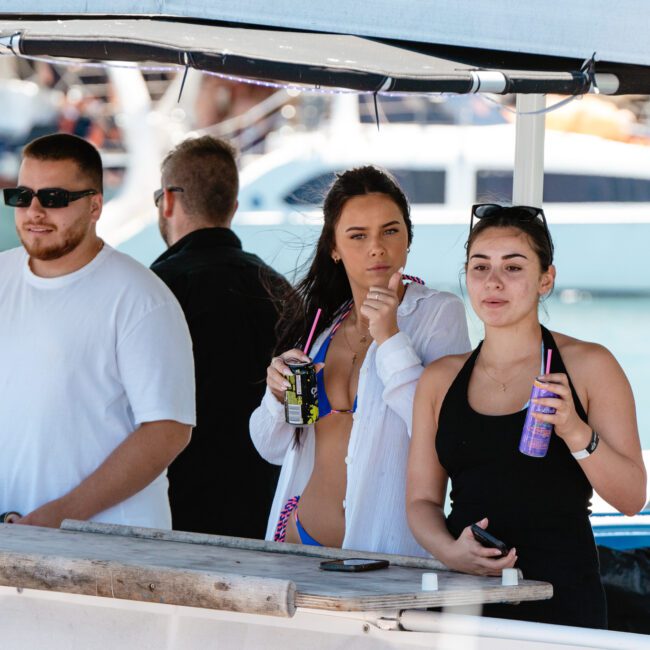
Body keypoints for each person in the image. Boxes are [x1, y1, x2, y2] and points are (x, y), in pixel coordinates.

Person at [407, 203, 647, 627]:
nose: (493, 281)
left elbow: (631, 499)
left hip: (562, 598)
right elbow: (421, 501)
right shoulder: (440, 379)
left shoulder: (590, 365)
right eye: (479, 268)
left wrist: (575, 431)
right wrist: (450, 552)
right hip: (463, 598)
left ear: (545, 279)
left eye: (513, 268)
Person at [250, 166, 471, 556]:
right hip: (298, 540)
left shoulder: (437, 313)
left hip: (385, 553)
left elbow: (446, 434)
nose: (376, 247)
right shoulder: (323, 328)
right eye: (357, 235)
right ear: (333, 247)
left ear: (408, 237)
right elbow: (270, 448)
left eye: (390, 230)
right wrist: (276, 396)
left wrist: (389, 337)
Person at [0, 133, 196, 529]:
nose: (34, 211)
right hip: (13, 541)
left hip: (108, 549)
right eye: (22, 196)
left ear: (94, 206)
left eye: (54, 198)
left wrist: (60, 516)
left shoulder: (141, 298)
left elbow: (168, 429)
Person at [150, 135, 286, 538]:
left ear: (169, 201)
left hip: (178, 513)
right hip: (268, 511)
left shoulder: (155, 291)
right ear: (234, 207)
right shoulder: (280, 290)